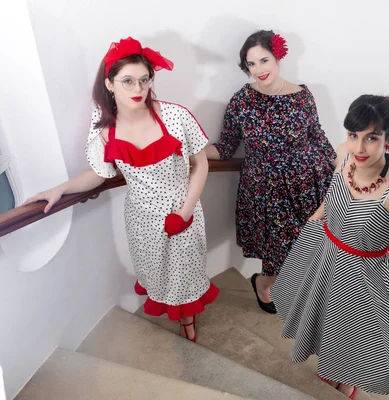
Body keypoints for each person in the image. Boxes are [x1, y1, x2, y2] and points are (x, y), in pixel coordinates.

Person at [24, 37, 218, 342]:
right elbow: (99, 174)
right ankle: (176, 312)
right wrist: (60, 189)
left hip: (184, 211)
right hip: (142, 220)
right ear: (110, 84)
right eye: (127, 81)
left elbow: (201, 164)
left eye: (143, 80)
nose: (137, 89)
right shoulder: (104, 130)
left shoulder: (176, 116)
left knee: (185, 274)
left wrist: (186, 211)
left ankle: (188, 320)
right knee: (160, 275)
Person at [271, 95, 389, 398]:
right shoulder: (345, 155)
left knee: (356, 333)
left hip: (364, 273)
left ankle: (347, 381)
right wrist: (311, 225)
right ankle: (330, 372)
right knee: (321, 319)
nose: (359, 148)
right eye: (353, 135)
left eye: (371, 138)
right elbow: (331, 197)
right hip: (326, 254)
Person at [204, 30, 335, 314]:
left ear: (277, 58)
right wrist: (192, 155)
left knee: (310, 250)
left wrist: (343, 169)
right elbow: (225, 146)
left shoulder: (303, 96)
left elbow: (317, 137)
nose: (259, 70)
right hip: (266, 192)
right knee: (278, 258)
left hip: (307, 186)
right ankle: (263, 284)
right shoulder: (241, 101)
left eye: (264, 61)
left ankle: (298, 294)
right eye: (251, 64)